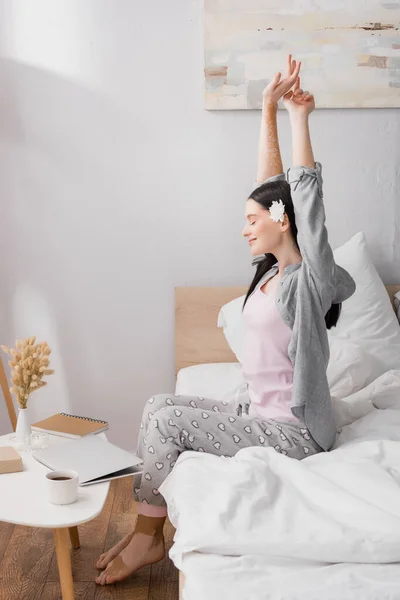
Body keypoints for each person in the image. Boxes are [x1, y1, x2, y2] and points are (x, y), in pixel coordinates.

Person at [95, 54, 356, 586]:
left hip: (294, 433)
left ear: (282, 223)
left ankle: (147, 538)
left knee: (167, 422)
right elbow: (272, 188)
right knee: (156, 406)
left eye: (252, 221)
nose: (244, 230)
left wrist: (301, 119)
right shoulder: (269, 269)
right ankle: (149, 528)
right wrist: (266, 109)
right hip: (259, 410)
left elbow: (306, 203)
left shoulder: (307, 283)